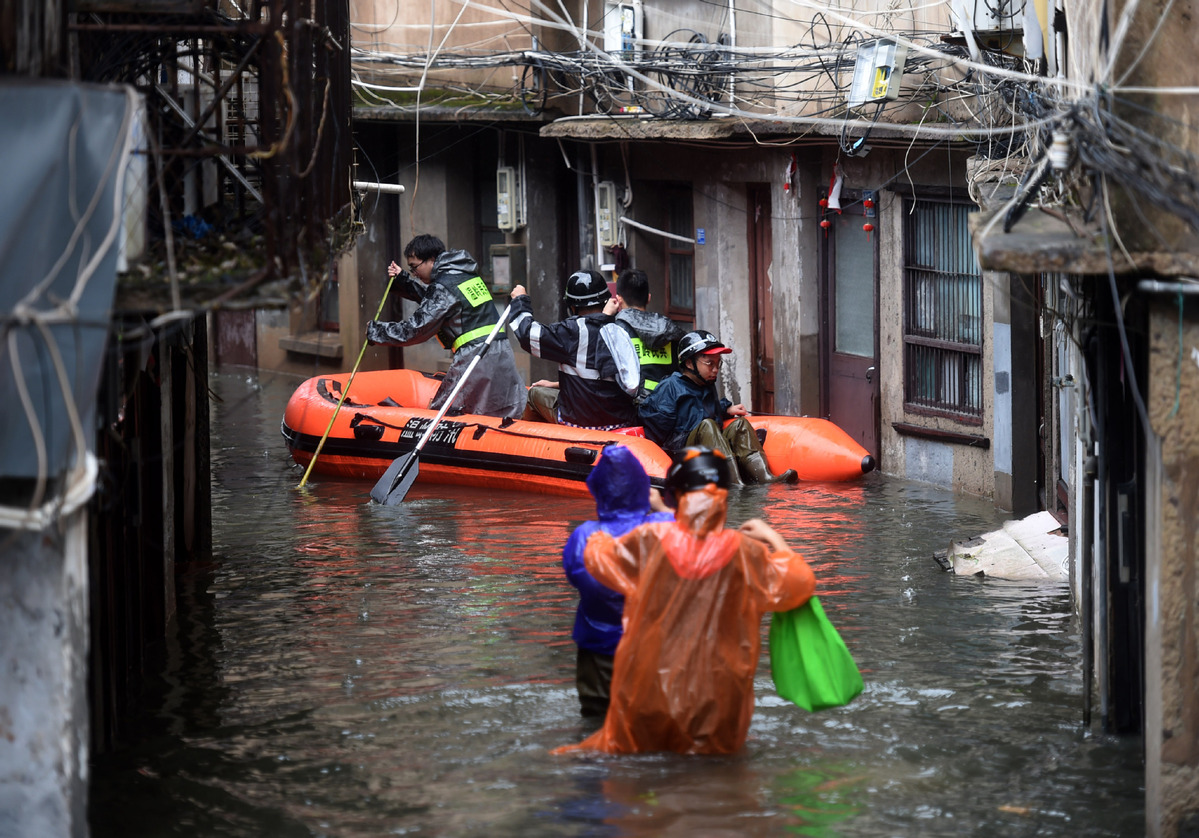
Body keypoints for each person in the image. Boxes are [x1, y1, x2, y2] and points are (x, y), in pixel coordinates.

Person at [552, 446, 816, 755]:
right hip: (722, 700)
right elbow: (799, 582)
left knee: (636, 768)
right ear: (724, 496)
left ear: (673, 497)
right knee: (719, 773)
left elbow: (597, 559)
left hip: (652, 690)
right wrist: (772, 538)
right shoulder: (747, 553)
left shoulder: (648, 539)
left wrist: (607, 524)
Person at [562, 444, 674, 718]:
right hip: (649, 651)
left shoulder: (584, 536)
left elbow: (574, 575)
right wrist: (662, 508)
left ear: (598, 489)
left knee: (596, 719)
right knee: (647, 720)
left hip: (596, 649)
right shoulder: (662, 528)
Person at [366, 234, 526, 419]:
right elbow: (437, 303)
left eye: (415, 267)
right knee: (503, 413)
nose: (414, 273)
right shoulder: (463, 274)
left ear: (431, 259)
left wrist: (376, 332)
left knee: (443, 414)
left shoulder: (443, 286)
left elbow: (416, 329)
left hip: (476, 357)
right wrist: (403, 279)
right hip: (500, 351)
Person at [638, 330, 798, 484]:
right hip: (680, 450)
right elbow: (657, 428)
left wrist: (725, 410)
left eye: (718, 363)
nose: (715, 369)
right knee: (708, 425)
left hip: (707, 445)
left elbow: (704, 409)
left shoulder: (706, 385)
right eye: (709, 363)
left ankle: (764, 477)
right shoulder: (670, 387)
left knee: (739, 424)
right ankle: (734, 483)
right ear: (689, 363)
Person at [508, 270, 640, 429]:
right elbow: (602, 381)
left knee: (534, 394)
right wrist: (556, 384)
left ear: (572, 307)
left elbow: (527, 336)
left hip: (581, 422)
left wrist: (520, 300)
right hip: (622, 419)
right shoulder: (619, 330)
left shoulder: (571, 332)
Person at [613, 268, 687, 401]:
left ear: (618, 299)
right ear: (648, 298)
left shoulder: (614, 331)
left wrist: (604, 317)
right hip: (670, 409)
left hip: (631, 412)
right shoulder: (670, 329)